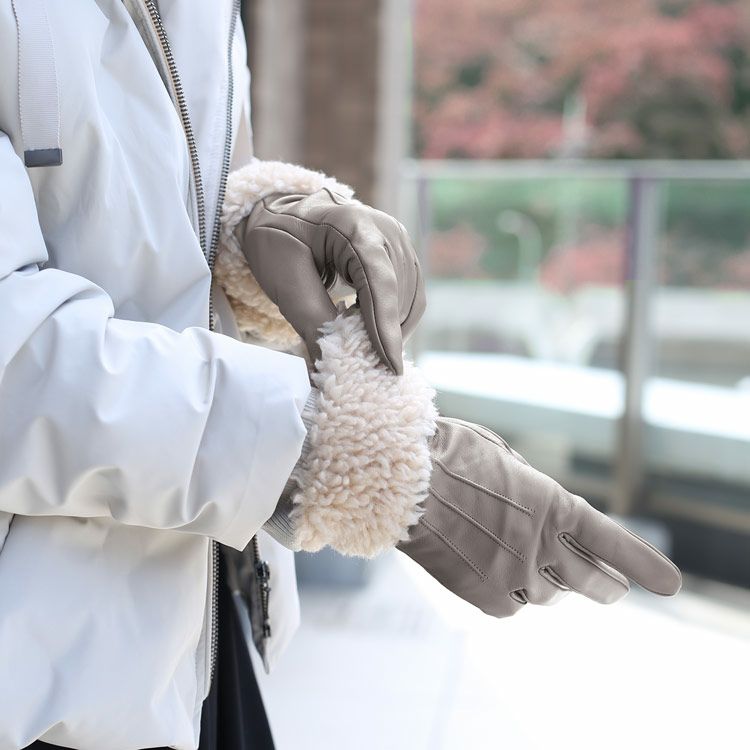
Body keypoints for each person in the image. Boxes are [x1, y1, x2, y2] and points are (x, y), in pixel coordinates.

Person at [0, 3, 681, 749]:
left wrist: (261, 220)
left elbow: (140, 185)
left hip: (188, 629)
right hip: (32, 687)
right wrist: (370, 462)